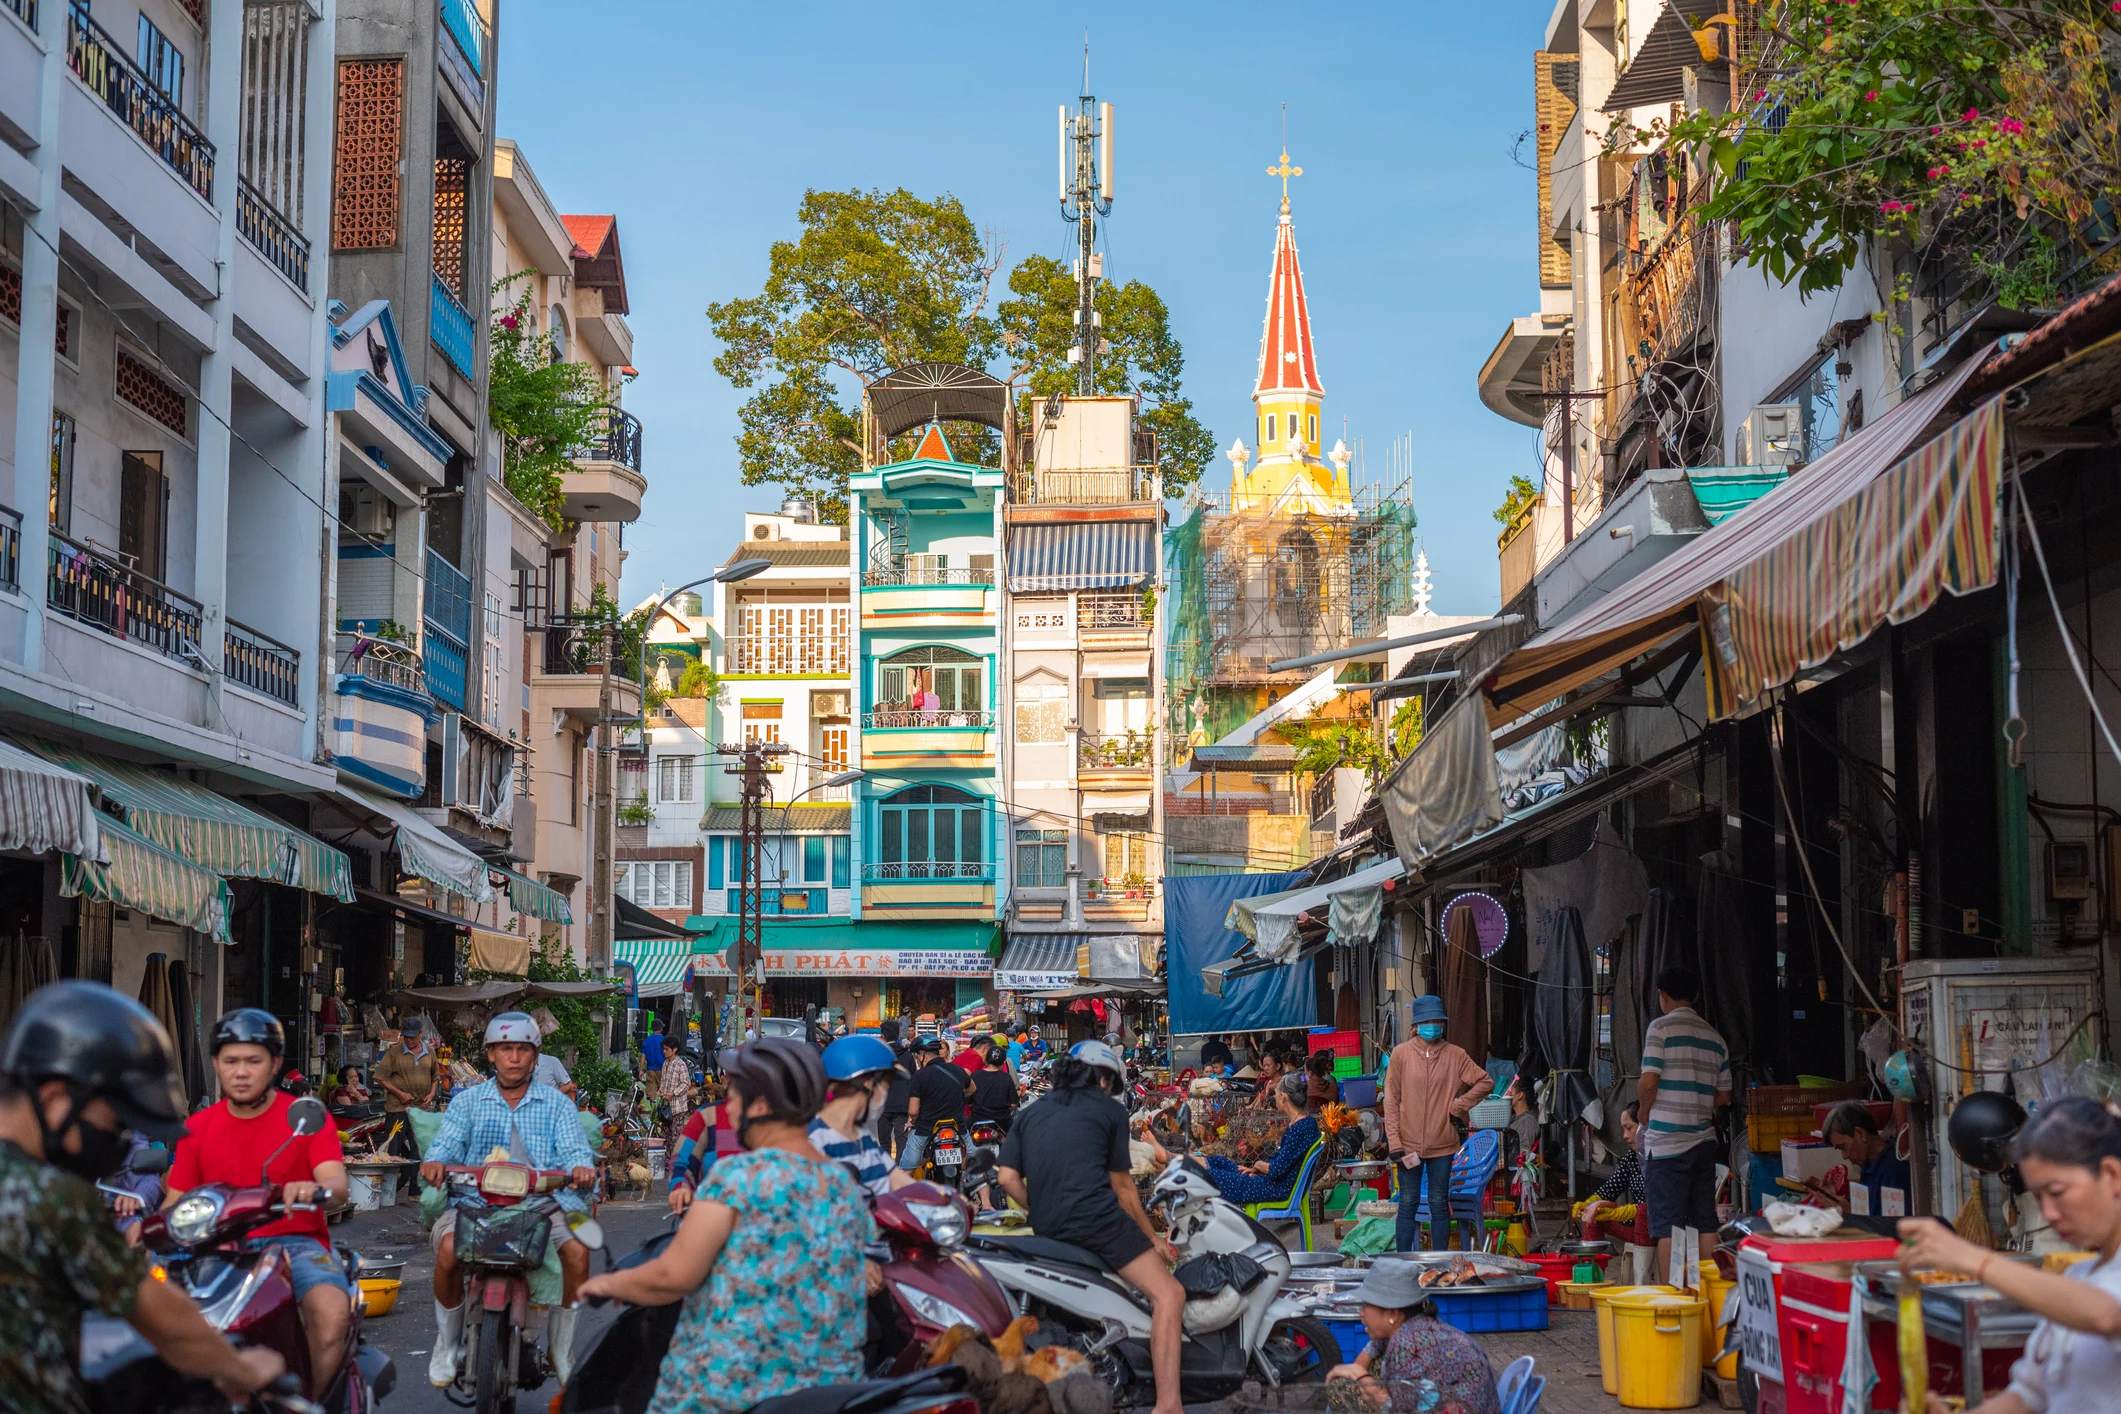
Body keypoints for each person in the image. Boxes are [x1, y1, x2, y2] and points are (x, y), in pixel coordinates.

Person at [0, 982, 286, 1414]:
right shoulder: (49, 1196)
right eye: (112, 1123)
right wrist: (242, 1368)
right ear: (55, 1099)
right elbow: (163, 1319)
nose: (114, 1141)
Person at [578, 1040, 872, 1413]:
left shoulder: (738, 1177)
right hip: (831, 1392)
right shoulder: (843, 1184)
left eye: (736, 1097)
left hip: (729, 1392)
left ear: (761, 1106)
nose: (729, 1108)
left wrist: (607, 1283)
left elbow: (675, 1275)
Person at [166, 1008, 351, 1399]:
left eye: (253, 1061)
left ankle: (305, 1402)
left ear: (275, 1064)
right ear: (216, 1063)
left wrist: (309, 1188)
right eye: (231, 1061)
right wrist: (145, 1228)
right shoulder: (197, 1128)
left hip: (295, 1245)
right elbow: (175, 1202)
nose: (241, 1071)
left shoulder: (306, 1119)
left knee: (332, 1316)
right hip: (213, 1250)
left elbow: (336, 1184)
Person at [1898, 1098, 2121, 1414]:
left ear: (2111, 1175)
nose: (2049, 1213)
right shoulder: (2079, 1277)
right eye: (2039, 1197)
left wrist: (1975, 1260)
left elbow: (2107, 1314)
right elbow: (2028, 1396)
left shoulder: (2095, 1297)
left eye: (2056, 1192)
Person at [997, 1041, 1183, 1414]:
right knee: (1170, 1295)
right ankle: (1169, 1404)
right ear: (1103, 1078)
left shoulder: (1031, 1112)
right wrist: (1154, 1239)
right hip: (1097, 1221)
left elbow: (1005, 1178)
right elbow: (1124, 1188)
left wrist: (1040, 1207)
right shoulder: (1109, 1111)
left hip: (1047, 1229)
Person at [419, 1012, 596, 1388]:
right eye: (505, 1049)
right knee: (448, 1250)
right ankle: (446, 1343)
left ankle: (561, 1349)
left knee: (579, 1253)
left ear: (535, 1056)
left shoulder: (557, 1105)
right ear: (491, 1055)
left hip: (542, 1205)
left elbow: (574, 1149)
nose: (513, 1057)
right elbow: (446, 1143)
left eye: (521, 1049)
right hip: (474, 1204)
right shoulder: (467, 1103)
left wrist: (581, 1168)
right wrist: (435, 1162)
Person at [1636, 967, 1731, 1279]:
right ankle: (1712, 1291)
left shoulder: (1660, 1029)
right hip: (1703, 1141)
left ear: (1663, 996)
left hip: (1667, 1145)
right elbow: (1723, 1096)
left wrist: (1644, 1112)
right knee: (1705, 1221)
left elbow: (1649, 1081)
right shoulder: (1715, 1038)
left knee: (1667, 1227)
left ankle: (1671, 1297)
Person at [1384, 995, 1493, 1252]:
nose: (1432, 1025)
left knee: (1438, 1202)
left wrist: (1459, 1105)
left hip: (1443, 1144)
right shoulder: (1401, 1054)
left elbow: (1485, 1082)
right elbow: (1391, 1100)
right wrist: (1394, 1142)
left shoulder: (1456, 1055)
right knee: (1408, 1202)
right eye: (1427, 1021)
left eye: (1437, 1021)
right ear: (1416, 1025)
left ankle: (1440, 1261)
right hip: (1408, 1145)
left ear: (1443, 1024)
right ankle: (1403, 1262)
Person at [1325, 1260, 1501, 1413]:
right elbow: (1372, 1350)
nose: (1361, 1313)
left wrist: (1361, 1378)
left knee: (1343, 1392)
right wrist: (1352, 1371)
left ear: (1392, 1313)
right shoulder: (1414, 1324)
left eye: (1366, 1306)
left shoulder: (1408, 1344)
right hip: (1450, 1402)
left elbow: (1396, 1409)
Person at [812, 1035, 913, 1197]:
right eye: (886, 1086)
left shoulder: (863, 1138)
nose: (885, 1094)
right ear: (868, 1083)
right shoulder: (815, 1140)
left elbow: (899, 1181)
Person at [1205, 1072, 1319, 1205]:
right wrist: (1257, 1169)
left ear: (1283, 1097)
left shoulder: (1300, 1128)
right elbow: (1282, 1161)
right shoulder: (1305, 1123)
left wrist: (1258, 1165)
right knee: (1217, 1162)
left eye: (1275, 1093)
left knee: (1210, 1175)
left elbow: (1276, 1170)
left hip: (1276, 1188)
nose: (1274, 1097)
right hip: (1273, 1181)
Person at [1817, 1100, 1911, 1213]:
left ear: (1860, 1134)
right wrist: (1834, 1196)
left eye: (1843, 1147)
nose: (1844, 1156)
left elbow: (1893, 1224)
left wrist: (1850, 1212)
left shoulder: (1894, 1170)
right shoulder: (1869, 1165)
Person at [1576, 1103, 1649, 1241]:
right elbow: (1609, 1189)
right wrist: (1587, 1205)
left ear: (1644, 1127)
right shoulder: (1632, 1158)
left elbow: (1655, 1205)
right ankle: (1591, 1260)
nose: (1625, 1136)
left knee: (1644, 1213)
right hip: (1633, 1227)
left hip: (1658, 1229)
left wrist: (1619, 1213)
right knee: (1594, 1216)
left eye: (1629, 1128)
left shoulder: (1660, 1159)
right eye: (1623, 1130)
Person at [899, 1036, 969, 1173]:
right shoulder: (958, 1070)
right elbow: (972, 1089)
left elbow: (913, 1111)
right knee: (974, 1161)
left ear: (922, 1055)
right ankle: (983, 1195)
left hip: (926, 1129)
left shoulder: (920, 1076)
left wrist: (912, 1122)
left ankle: (903, 1193)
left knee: (907, 1168)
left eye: (917, 1055)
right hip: (957, 1127)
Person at [374, 1019, 439, 1160]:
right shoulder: (394, 1052)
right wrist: (400, 1094)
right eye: (406, 1037)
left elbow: (435, 1077)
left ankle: (415, 1182)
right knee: (392, 1149)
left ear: (421, 1034)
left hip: (421, 1109)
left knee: (419, 1149)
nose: (409, 1040)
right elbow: (380, 1077)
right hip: (398, 1109)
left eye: (413, 1037)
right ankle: (391, 1181)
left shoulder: (430, 1052)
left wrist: (432, 1093)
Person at [877, 1019, 914, 1158]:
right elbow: (913, 1080)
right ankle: (900, 1171)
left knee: (884, 1142)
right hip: (902, 1106)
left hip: (883, 1105)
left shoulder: (880, 1055)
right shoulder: (908, 1055)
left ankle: (887, 1172)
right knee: (901, 1142)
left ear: (883, 1036)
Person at [968, 1039, 1019, 1133]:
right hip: (1002, 1122)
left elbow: (969, 1100)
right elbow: (1014, 1104)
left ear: (986, 1060)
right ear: (1003, 1062)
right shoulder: (1006, 1077)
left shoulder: (975, 1075)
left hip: (977, 1120)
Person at [641, 1017, 666, 1089]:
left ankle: (652, 1100)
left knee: (651, 1095)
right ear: (661, 1028)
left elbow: (643, 1057)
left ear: (652, 1029)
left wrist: (641, 1070)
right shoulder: (664, 1040)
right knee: (662, 1093)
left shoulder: (646, 1040)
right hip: (662, 1070)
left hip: (650, 1070)